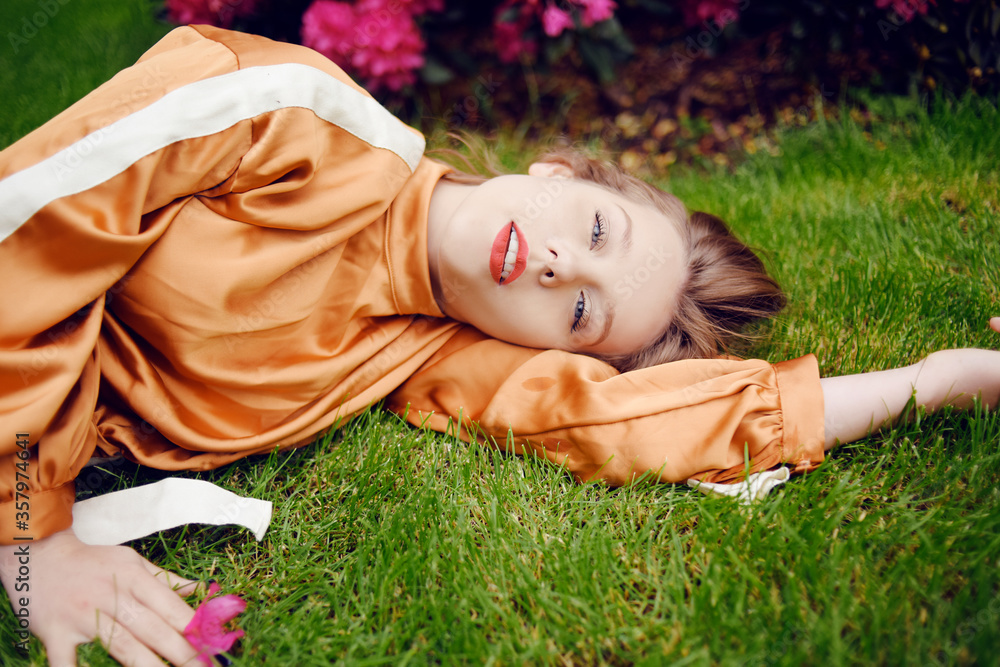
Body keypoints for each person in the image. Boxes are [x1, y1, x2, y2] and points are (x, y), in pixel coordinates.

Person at [0, 25, 997, 667]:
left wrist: (941, 380)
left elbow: (626, 423)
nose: (562, 266)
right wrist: (32, 534)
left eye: (582, 316)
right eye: (598, 231)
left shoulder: (427, 354)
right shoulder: (285, 114)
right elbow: (22, 227)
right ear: (561, 170)